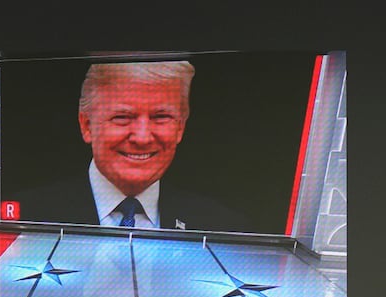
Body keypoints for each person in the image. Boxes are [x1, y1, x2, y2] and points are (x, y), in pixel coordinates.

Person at [16, 60, 245, 231]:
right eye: (122, 117)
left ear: (180, 128)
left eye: (161, 117)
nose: (142, 137)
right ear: (87, 126)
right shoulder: (24, 219)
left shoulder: (224, 227)